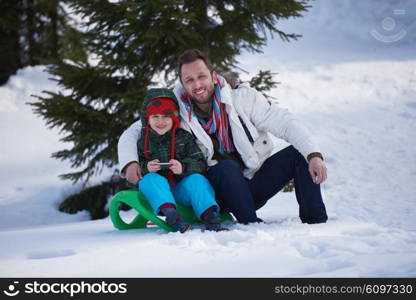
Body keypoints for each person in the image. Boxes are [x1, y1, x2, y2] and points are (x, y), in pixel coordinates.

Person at [118, 49, 328, 225]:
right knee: (227, 168)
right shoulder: (176, 109)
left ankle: (315, 223)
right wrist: (129, 163)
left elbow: (285, 122)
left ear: (212, 74)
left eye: (201, 76)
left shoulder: (242, 98)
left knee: (300, 153)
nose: (197, 85)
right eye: (189, 80)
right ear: (182, 82)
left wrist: (314, 155)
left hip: (253, 181)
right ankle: (251, 225)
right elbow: (134, 132)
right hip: (216, 191)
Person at [133, 88, 228, 233]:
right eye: (155, 117)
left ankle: (211, 218)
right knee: (150, 179)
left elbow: (201, 164)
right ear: (148, 119)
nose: (161, 122)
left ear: (174, 118)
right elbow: (134, 173)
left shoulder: (184, 137)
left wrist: (183, 167)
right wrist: (146, 168)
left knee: (197, 180)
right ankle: (174, 218)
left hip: (180, 190)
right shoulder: (142, 142)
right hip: (159, 194)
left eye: (166, 116)